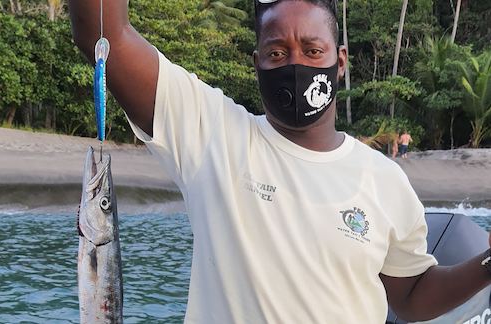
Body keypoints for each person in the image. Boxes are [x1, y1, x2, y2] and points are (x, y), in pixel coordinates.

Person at [69, 1, 491, 323]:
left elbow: (413, 295)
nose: (295, 66)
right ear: (256, 64)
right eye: (276, 53)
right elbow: (107, 36)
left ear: (339, 61)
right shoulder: (214, 135)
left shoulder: (384, 179)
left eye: (312, 50)